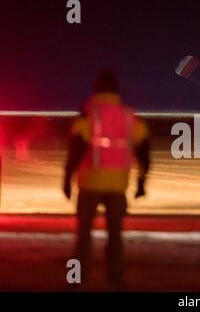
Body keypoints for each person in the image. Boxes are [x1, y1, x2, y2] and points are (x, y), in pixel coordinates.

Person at [63, 69, 150, 289]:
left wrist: (66, 177)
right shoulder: (129, 116)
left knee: (83, 237)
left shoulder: (88, 114)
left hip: (90, 182)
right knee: (115, 236)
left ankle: (76, 279)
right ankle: (116, 279)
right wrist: (141, 181)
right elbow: (144, 150)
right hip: (118, 185)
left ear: (96, 89)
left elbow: (76, 148)